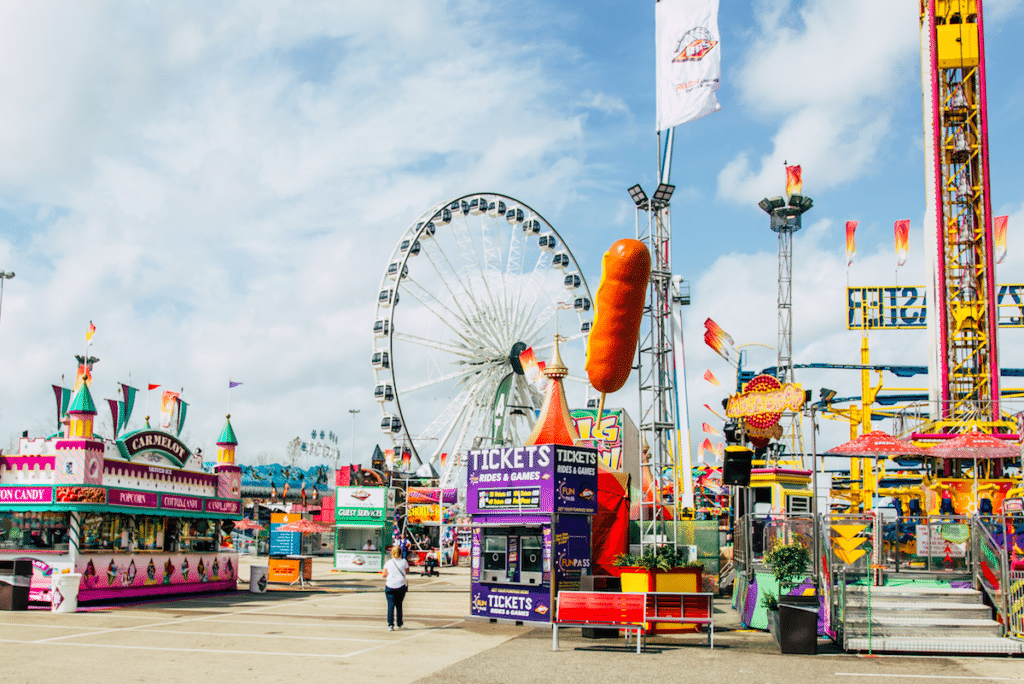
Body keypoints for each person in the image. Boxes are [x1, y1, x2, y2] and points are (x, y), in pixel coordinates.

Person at [381, 546, 409, 630]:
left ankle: (390, 624)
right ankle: (399, 622)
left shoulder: (388, 563)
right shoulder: (404, 561)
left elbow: (384, 574)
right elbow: (407, 571)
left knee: (390, 605)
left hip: (390, 585)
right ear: (400, 553)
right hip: (400, 585)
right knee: (399, 605)